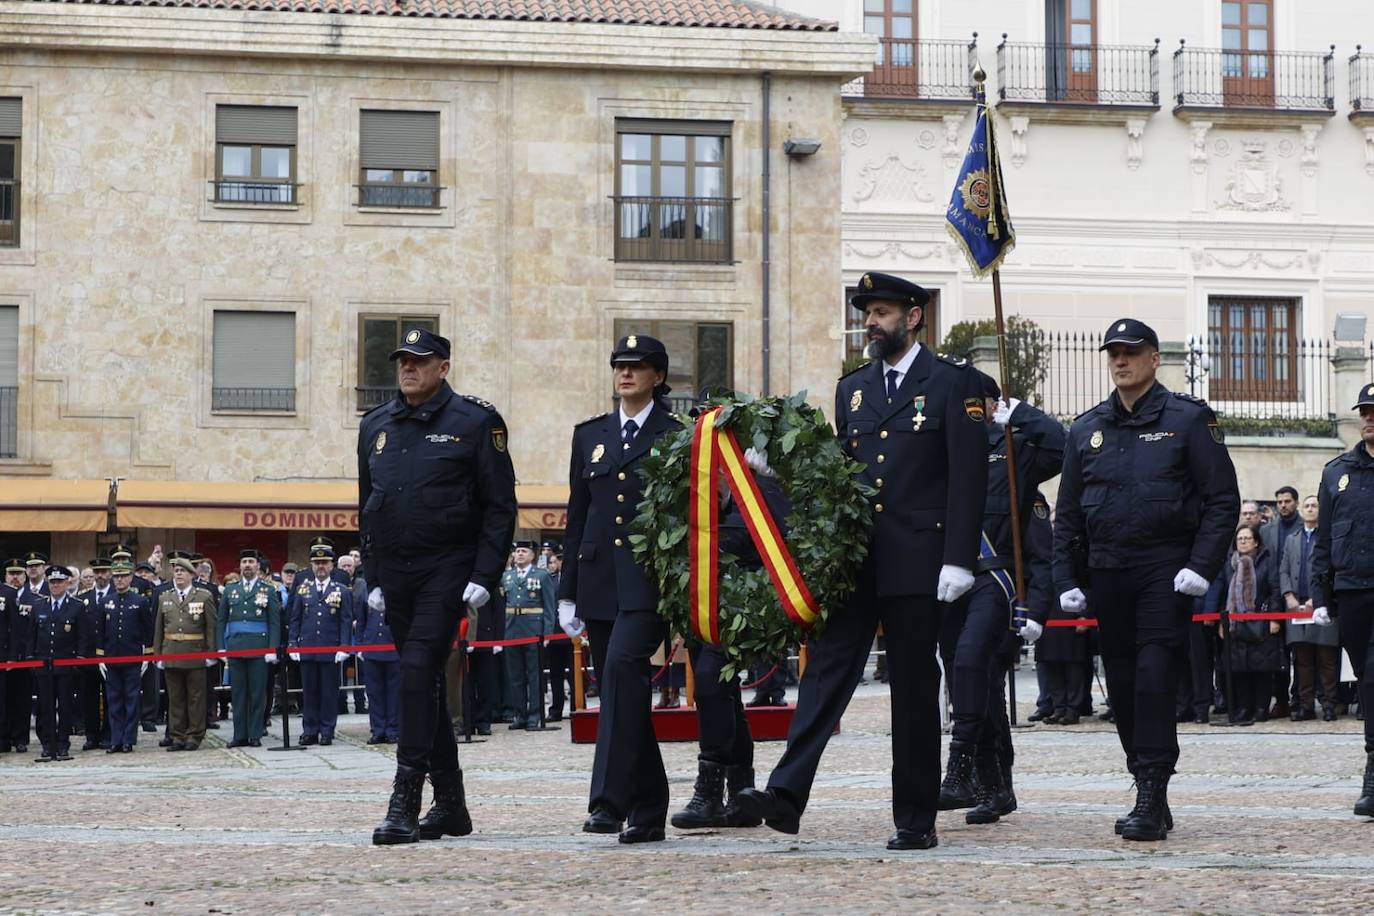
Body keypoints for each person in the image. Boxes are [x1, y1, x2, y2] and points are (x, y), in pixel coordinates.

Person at [737, 271, 988, 850]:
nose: (871, 323)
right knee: (824, 672)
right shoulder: (853, 388)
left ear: (913, 316)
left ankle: (915, 816)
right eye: (868, 313)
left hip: (922, 558)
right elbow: (842, 474)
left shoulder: (953, 382)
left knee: (914, 687)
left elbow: (969, 479)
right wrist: (782, 469)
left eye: (881, 312)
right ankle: (786, 795)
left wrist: (959, 559)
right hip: (858, 560)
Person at [1053, 318, 1239, 842]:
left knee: (1156, 675)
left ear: (1155, 359)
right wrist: (1066, 574)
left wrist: (1200, 566)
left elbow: (1223, 500)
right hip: (1109, 570)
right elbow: (1066, 514)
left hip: (1165, 568)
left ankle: (1152, 792)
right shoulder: (1085, 428)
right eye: (1113, 351)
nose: (1120, 360)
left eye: (1131, 352)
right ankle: (1145, 779)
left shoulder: (1187, 420)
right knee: (1125, 684)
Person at [359, 327, 516, 845]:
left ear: (443, 367)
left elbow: (499, 508)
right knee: (421, 682)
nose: (409, 368)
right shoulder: (376, 424)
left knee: (416, 671)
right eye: (403, 359)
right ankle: (451, 804)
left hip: (447, 568)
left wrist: (484, 576)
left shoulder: (476, 422)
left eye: (420, 361)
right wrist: (373, 574)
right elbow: (368, 504)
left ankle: (405, 797)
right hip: (397, 574)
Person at [558, 333, 683, 844]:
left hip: (649, 582)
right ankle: (651, 806)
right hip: (599, 579)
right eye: (619, 366)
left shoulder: (677, 434)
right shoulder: (591, 434)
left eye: (636, 366)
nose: (625, 374)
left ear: (657, 376)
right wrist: (568, 589)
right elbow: (578, 514)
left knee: (620, 672)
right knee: (621, 692)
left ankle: (609, 801)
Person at [938, 370, 1064, 822]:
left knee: (973, 663)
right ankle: (994, 785)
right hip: (950, 581)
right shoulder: (944, 449)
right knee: (973, 682)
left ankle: (959, 765)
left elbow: (1060, 446)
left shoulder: (1013, 448)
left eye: (978, 403)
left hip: (996, 582)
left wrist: (1021, 413)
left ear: (993, 405)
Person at [671, 426, 790, 832]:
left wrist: (697, 538)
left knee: (709, 680)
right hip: (705, 604)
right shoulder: (705, 491)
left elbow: (759, 538)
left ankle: (708, 791)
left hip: (748, 604)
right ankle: (741, 791)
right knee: (719, 692)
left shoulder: (762, 487)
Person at [1310, 381, 1374, 817]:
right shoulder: (1337, 472)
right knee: (1368, 679)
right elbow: (1324, 542)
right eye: (1364, 411)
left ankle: (1373, 769)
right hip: (1352, 590)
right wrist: (1320, 593)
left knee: (1372, 677)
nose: (1368, 417)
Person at [288, 543, 353, 746]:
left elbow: (345, 620)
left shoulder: (341, 590)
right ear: (311, 565)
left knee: (328, 693)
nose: (320, 567)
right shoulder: (302, 589)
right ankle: (309, 730)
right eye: (317, 563)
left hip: (330, 648)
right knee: (309, 692)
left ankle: (326, 730)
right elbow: (295, 619)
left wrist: (344, 646)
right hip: (307, 647)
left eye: (324, 562)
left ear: (332, 565)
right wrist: (293, 643)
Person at [1280, 495, 1339, 721]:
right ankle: (1306, 706)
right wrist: (1288, 595)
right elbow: (1283, 569)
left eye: (1315, 505)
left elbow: (1332, 567)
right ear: (1301, 510)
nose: (1310, 508)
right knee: (1302, 659)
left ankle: (1329, 704)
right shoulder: (1292, 538)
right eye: (1307, 505)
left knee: (1327, 658)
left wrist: (1319, 597)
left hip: (1321, 603)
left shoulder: (1329, 537)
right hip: (1296, 606)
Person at [152, 557, 218, 752]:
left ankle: (194, 735)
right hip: (171, 652)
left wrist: (211, 653)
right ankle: (177, 736)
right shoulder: (165, 597)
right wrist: (158, 655)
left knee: (196, 698)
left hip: (195, 653)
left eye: (183, 571)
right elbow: (159, 629)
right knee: (175, 699)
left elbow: (211, 627)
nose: (178, 574)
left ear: (192, 575)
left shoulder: (203, 596)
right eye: (176, 571)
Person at [218, 549, 280, 749]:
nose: (247, 565)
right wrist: (220, 647)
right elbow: (221, 621)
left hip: (259, 648)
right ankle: (239, 734)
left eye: (251, 561)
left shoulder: (268, 590)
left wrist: (272, 648)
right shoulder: (230, 589)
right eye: (244, 561)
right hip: (235, 647)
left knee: (256, 693)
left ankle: (254, 733)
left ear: (258, 566)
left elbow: (274, 622)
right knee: (238, 694)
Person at [1221, 524, 1282, 726]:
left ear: (1256, 541)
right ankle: (1243, 708)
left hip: (1261, 619)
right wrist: (1224, 621)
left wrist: (1274, 617)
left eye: (1247, 538)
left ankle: (1261, 707)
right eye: (1240, 539)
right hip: (1236, 623)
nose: (1243, 542)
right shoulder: (1230, 564)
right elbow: (1224, 592)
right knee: (1240, 667)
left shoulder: (1266, 561)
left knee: (1261, 667)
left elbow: (1274, 588)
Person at [96, 559, 154, 753]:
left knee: (131, 699)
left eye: (124, 576)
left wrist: (147, 656)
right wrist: (100, 657)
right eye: (117, 576)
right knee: (113, 700)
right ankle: (115, 738)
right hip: (112, 658)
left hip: (132, 658)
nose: (120, 580)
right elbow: (100, 632)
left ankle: (128, 739)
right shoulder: (106, 601)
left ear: (130, 577)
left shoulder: (140, 601)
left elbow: (148, 631)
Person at [500, 540, 556, 731]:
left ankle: (535, 715)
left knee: (534, 675)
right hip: (512, 630)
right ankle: (520, 714)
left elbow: (549, 606)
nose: (520, 554)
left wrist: (547, 633)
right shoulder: (507, 577)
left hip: (534, 630)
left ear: (533, 555)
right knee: (515, 676)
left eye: (524, 551)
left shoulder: (541, 575)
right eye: (517, 551)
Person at [33, 566, 80, 762]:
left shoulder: (76, 606)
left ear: (67, 583)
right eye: (52, 582)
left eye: (59, 582)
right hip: (43, 664)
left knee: (65, 706)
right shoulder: (39, 605)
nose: (55, 585)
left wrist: (80, 659)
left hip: (66, 665)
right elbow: (32, 636)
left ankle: (62, 744)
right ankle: (47, 744)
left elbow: (82, 637)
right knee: (45, 706)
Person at [356, 573, 400, 745]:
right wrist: (360, 644)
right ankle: (377, 729)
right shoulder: (366, 592)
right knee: (374, 693)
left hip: (393, 648)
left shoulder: (398, 589)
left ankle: (393, 729)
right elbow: (361, 620)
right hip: (372, 646)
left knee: (394, 692)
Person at [2, 557, 34, 753]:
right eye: (11, 574)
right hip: (5, 655)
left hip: (25, 655)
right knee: (4, 699)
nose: (15, 577)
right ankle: (4, 736)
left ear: (25, 576)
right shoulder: (3, 594)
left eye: (18, 574)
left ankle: (20, 738)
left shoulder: (34, 596)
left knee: (22, 698)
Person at [544, 550, 573, 722]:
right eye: (555, 560)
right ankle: (556, 709)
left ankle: (578, 706)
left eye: (560, 559)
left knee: (575, 673)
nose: (557, 563)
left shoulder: (574, 580)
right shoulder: (551, 580)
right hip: (555, 632)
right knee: (555, 674)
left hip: (572, 633)